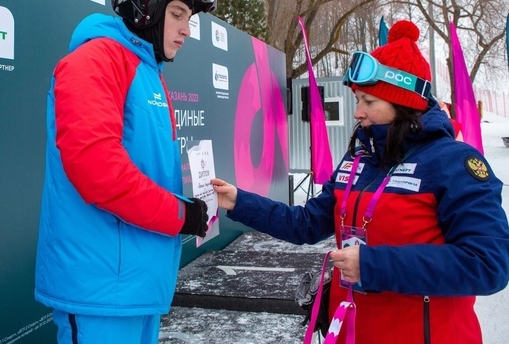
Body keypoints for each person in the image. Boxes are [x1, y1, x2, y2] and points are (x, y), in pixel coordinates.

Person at [212, 20, 509, 343]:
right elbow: (306, 224)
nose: (357, 112)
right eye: (357, 100)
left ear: (403, 105)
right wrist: (239, 201)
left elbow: (488, 264)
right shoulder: (359, 159)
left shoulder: (455, 163)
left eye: (369, 102)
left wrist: (374, 265)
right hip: (352, 331)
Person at [34, 0, 217, 344]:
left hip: (137, 289)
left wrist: (187, 206)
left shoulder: (149, 73)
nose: (186, 30)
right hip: (99, 292)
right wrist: (179, 214)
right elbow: (98, 169)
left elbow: (143, 173)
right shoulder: (95, 60)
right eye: (179, 14)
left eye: (191, 19)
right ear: (145, 8)